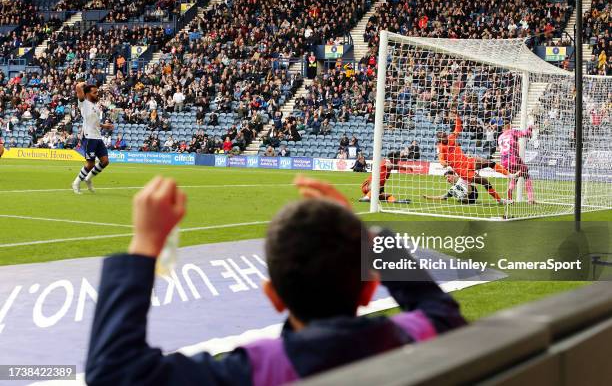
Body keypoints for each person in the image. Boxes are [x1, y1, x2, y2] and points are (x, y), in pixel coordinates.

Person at [85, 176, 466, 385]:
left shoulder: (257, 370)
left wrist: (144, 245)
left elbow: (115, 372)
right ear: (369, 286)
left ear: (273, 296)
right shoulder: (422, 334)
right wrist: (361, 236)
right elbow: (437, 307)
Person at [436, 113, 513, 205]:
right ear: (439, 139)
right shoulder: (441, 147)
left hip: (467, 161)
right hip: (462, 170)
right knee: (485, 182)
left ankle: (509, 175)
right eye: (443, 137)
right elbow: (441, 160)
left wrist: (457, 118)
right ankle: (500, 200)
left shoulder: (451, 137)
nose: (445, 138)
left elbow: (458, 129)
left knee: (490, 163)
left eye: (445, 136)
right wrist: (444, 163)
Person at [72, 82, 113, 194]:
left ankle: (88, 178)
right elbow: (78, 88)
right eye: (95, 92)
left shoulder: (95, 106)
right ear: (88, 94)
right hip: (89, 137)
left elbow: (95, 123)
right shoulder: (83, 103)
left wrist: (105, 126)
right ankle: (76, 183)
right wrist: (83, 84)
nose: (97, 94)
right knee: (90, 163)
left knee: (105, 161)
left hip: (97, 137)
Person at [497, 123, 534, 203]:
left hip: (504, 162)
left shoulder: (500, 137)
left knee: (515, 175)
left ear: (503, 129)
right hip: (513, 159)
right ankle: (530, 199)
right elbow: (525, 134)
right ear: (510, 127)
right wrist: (530, 128)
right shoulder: (512, 131)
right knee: (526, 174)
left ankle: (510, 194)